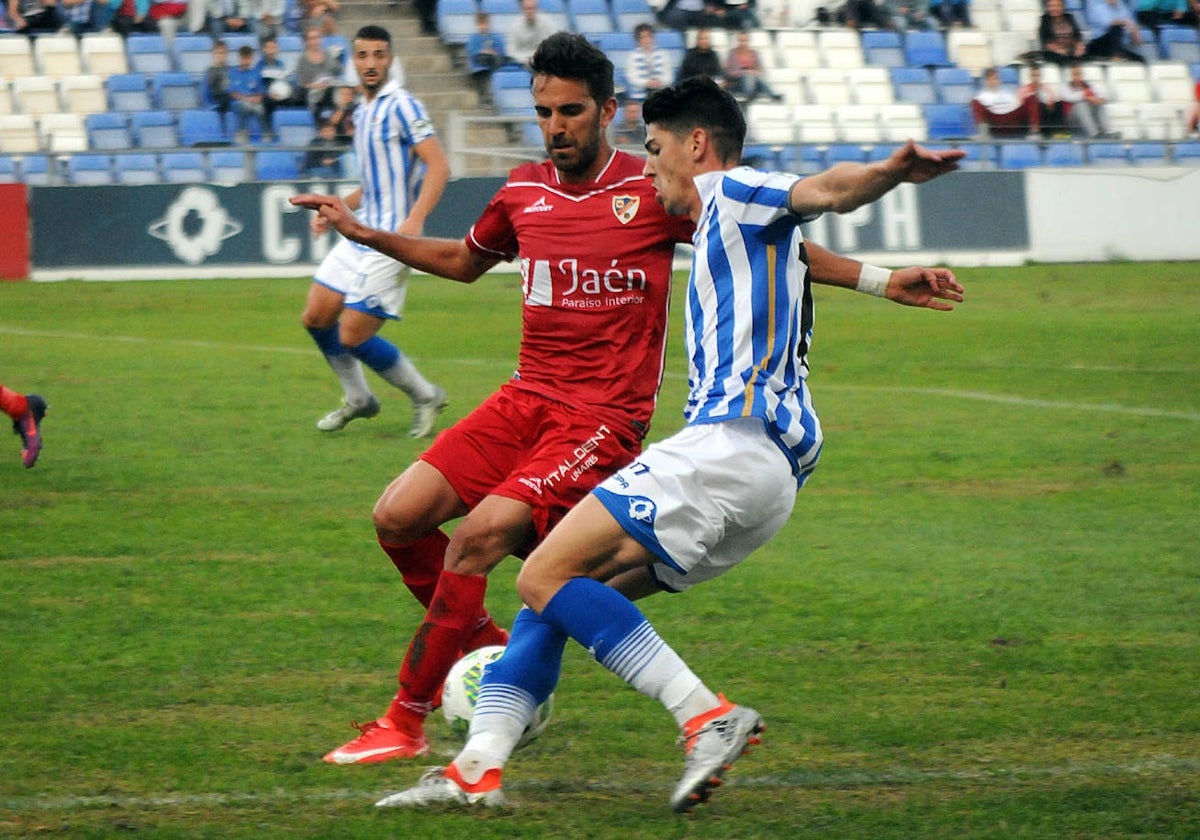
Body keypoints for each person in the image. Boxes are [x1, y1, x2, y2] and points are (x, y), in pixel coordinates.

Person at [368, 76, 964, 813]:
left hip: (730, 446)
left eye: (653, 152)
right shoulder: (733, 223)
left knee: (538, 576)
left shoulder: (734, 191)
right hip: (771, 477)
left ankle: (705, 716)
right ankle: (477, 767)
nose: (647, 170)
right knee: (554, 599)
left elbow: (826, 190)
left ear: (697, 146)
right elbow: (808, 240)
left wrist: (887, 173)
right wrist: (883, 279)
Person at [290, 30, 695, 767]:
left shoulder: (653, 191)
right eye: (544, 112)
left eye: (571, 111)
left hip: (602, 418)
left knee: (479, 536)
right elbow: (463, 261)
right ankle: (487, 647)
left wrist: (878, 279)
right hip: (525, 399)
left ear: (608, 110)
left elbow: (754, 234)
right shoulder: (522, 191)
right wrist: (363, 233)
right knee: (397, 517)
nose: (556, 127)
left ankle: (405, 716)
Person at [300, 24, 450, 437]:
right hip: (358, 235)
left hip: (391, 241)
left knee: (351, 333)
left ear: (390, 59)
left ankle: (425, 395)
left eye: (378, 55)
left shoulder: (403, 105)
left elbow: (438, 165)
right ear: (353, 60)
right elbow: (373, 186)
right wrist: (335, 208)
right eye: (363, 55)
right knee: (316, 316)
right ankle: (360, 399)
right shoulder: (363, 112)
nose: (370, 63)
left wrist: (415, 221)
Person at [971, 66, 1040, 138]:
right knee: (975, 102)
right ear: (986, 81)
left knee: (1031, 97)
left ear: (999, 80)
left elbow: (1016, 106)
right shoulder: (982, 97)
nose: (993, 81)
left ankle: (1034, 132)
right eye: (990, 79)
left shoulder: (1008, 94)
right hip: (996, 121)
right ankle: (983, 133)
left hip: (1012, 120)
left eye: (995, 79)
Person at [295, 25, 344, 122]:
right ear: (306, 41)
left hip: (329, 89)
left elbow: (339, 71)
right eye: (312, 38)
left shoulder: (328, 54)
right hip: (312, 93)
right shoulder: (302, 60)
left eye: (318, 37)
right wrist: (317, 86)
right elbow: (302, 84)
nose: (316, 41)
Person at [723, 30, 782, 103]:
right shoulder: (732, 54)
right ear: (737, 41)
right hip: (737, 84)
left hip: (754, 82)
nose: (743, 43)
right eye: (741, 41)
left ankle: (770, 95)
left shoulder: (754, 54)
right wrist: (744, 72)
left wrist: (752, 73)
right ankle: (757, 95)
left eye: (745, 41)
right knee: (747, 76)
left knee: (757, 80)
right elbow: (729, 72)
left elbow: (761, 70)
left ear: (748, 41)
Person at [466, 11, 510, 108]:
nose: (483, 26)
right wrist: (486, 51)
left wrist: (491, 52)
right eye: (481, 24)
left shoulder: (495, 36)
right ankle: (486, 98)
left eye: (485, 23)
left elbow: (501, 51)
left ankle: (494, 95)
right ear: (477, 24)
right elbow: (473, 53)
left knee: (497, 60)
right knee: (485, 63)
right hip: (480, 61)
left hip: (494, 61)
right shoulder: (474, 38)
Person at [1061, 63, 1118, 138]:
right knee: (1080, 105)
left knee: (1099, 103)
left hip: (1090, 116)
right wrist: (1087, 97)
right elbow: (1069, 97)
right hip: (1073, 120)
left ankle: (1108, 131)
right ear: (1071, 76)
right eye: (1075, 74)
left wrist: (1099, 100)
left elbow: (1108, 96)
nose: (1077, 77)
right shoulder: (1065, 87)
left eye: (1079, 74)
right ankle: (1094, 134)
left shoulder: (1091, 86)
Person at [227, 43, 267, 141]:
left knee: (261, 108)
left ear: (252, 58)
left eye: (248, 58)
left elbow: (261, 93)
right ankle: (241, 134)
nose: (246, 61)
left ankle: (266, 135)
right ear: (239, 58)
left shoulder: (256, 73)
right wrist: (246, 99)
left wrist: (257, 98)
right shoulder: (232, 72)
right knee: (244, 106)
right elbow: (232, 93)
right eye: (244, 58)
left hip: (253, 102)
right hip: (238, 102)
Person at [625, 23, 672, 103]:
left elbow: (669, 75)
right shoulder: (632, 56)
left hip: (660, 92)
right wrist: (646, 83)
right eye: (642, 37)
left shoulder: (663, 54)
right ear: (637, 40)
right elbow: (631, 77)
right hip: (639, 95)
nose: (646, 40)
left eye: (649, 36)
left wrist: (660, 82)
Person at [2, 384, 46, 469]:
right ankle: (30, 453)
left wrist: (28, 462)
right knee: (28, 436)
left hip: (22, 411)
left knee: (30, 438)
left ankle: (31, 454)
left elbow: (33, 443)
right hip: (21, 411)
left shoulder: (26, 414)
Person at [1034, 0, 1088, 66]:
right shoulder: (1045, 20)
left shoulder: (1069, 17)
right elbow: (1045, 42)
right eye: (1051, 6)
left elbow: (1078, 35)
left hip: (1072, 51)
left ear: (1063, 7)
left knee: (1087, 53)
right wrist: (1063, 51)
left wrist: (1079, 46)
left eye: (1058, 6)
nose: (1054, 8)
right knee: (1062, 58)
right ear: (1047, 7)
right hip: (1055, 54)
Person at [1020, 64, 1068, 137]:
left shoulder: (1046, 88)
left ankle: (1060, 132)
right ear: (1030, 77)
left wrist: (1050, 104)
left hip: (1044, 114)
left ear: (1040, 77)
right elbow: (1021, 105)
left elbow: (1052, 101)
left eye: (1037, 75)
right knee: (1032, 99)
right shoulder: (1023, 90)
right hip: (1027, 117)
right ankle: (1035, 131)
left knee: (1059, 103)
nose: (1035, 78)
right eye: (1033, 75)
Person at [506, 0, 556, 68]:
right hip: (522, 63)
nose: (530, 11)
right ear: (522, 9)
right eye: (527, 8)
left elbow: (555, 46)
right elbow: (510, 51)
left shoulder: (547, 24)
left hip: (544, 62)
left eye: (533, 8)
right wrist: (522, 60)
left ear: (537, 8)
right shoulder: (515, 27)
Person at [204, 39, 232, 120]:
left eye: (223, 53)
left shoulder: (232, 70)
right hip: (218, 98)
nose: (220, 55)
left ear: (227, 54)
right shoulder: (210, 71)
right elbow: (207, 91)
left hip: (230, 97)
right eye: (218, 53)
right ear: (213, 54)